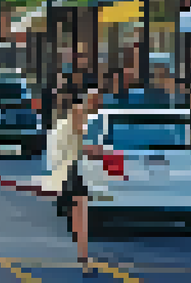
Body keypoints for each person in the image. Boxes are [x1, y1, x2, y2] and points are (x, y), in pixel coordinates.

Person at [54, 88, 103, 277]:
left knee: (79, 215)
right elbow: (82, 144)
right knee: (81, 215)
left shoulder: (86, 117)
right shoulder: (78, 115)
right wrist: (96, 150)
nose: (98, 104)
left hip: (77, 169)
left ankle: (83, 256)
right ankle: (84, 259)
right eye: (95, 100)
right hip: (77, 169)